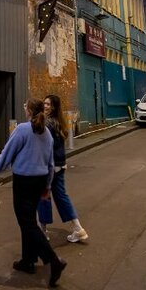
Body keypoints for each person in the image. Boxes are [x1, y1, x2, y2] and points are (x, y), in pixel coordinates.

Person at [0, 98, 68, 288]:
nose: (24, 109)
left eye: (25, 107)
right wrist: (47, 187)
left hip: (24, 181)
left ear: (29, 111)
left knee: (27, 222)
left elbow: (7, 153)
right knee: (29, 219)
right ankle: (28, 261)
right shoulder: (46, 132)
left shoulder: (22, 129)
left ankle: (52, 260)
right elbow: (50, 163)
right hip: (39, 181)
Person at [37, 95, 89, 243]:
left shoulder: (47, 123)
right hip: (60, 164)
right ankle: (78, 229)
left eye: (47, 104)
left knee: (44, 197)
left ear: (53, 107)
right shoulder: (59, 122)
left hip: (50, 166)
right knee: (61, 196)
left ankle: (43, 231)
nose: (45, 105)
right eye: (44, 103)